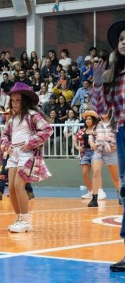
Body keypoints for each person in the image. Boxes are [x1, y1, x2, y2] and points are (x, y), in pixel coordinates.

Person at [90, 20, 125, 272]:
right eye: (121, 39)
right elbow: (103, 112)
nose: (124, 41)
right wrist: (98, 85)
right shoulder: (116, 76)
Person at [0, 82, 53, 233]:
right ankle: (19, 219)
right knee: (10, 188)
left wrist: (30, 142)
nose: (15, 103)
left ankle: (25, 220)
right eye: (13, 100)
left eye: (18, 100)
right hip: (13, 154)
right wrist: (7, 144)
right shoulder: (11, 119)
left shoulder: (32, 115)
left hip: (27, 154)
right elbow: (4, 135)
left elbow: (47, 130)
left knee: (18, 185)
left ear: (25, 100)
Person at [88, 109, 120, 207]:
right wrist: (92, 143)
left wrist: (116, 146)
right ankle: (94, 198)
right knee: (96, 173)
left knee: (115, 177)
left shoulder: (116, 124)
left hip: (112, 152)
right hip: (99, 151)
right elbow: (91, 136)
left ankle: (120, 196)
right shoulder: (97, 124)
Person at [73, 110, 101, 199]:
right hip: (85, 153)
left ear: (93, 120)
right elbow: (74, 137)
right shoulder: (82, 130)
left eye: (89, 119)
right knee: (85, 173)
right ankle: (90, 191)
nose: (87, 121)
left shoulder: (97, 130)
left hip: (95, 153)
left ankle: (98, 191)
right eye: (86, 119)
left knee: (95, 173)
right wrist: (77, 147)